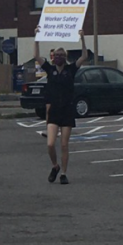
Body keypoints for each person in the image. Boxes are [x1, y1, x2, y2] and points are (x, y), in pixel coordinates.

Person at [34, 28, 88, 185]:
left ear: (65, 57)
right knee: (50, 144)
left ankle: (64, 173)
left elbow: (84, 56)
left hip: (67, 110)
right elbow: (36, 56)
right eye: (56, 56)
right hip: (54, 111)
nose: (58, 58)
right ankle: (55, 166)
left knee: (64, 144)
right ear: (53, 57)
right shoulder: (50, 70)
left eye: (61, 56)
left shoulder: (71, 69)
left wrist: (82, 39)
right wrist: (36, 37)